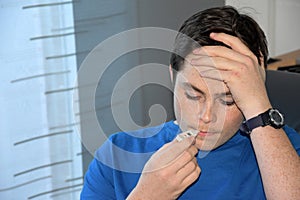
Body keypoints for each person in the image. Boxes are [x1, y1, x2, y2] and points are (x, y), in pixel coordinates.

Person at [80, 6, 300, 200]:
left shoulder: (285, 150)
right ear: (172, 76)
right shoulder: (117, 155)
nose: (206, 116)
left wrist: (259, 107)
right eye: (194, 95)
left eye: (228, 100)